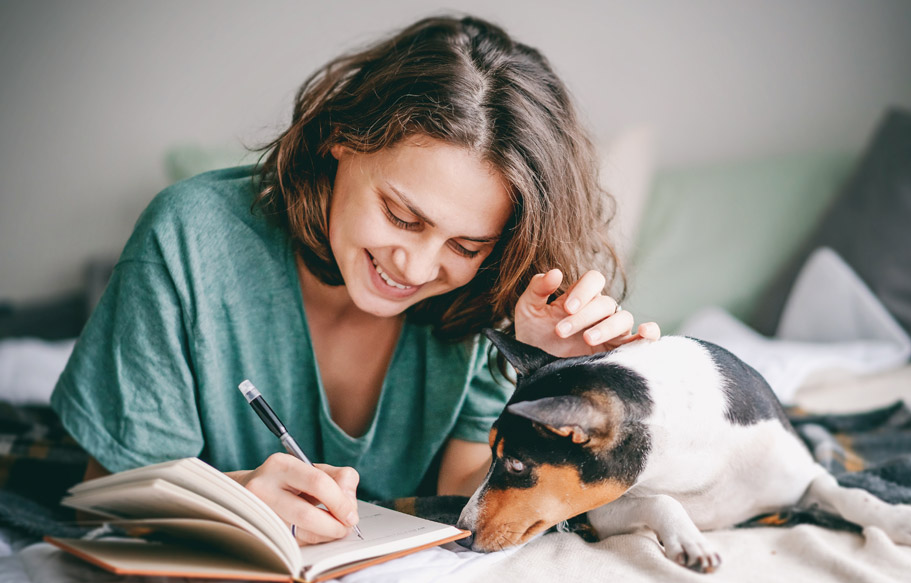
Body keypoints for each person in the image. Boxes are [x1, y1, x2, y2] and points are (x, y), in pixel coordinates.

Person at [51, 15, 659, 546]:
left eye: (465, 245)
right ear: (343, 137)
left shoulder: (496, 293)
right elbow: (102, 496)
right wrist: (236, 497)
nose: (417, 270)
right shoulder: (189, 239)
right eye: (401, 216)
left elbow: (466, 491)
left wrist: (557, 386)